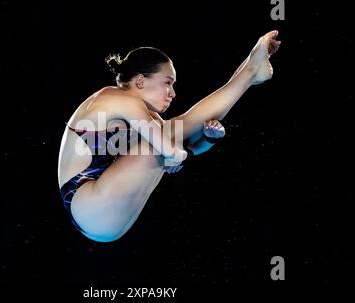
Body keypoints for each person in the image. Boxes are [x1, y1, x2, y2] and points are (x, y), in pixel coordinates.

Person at [57, 30, 281, 242]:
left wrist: (209, 137)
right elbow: (175, 150)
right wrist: (175, 154)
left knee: (175, 131)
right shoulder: (116, 98)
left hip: (103, 219)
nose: (172, 93)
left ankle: (251, 72)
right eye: (167, 83)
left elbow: (187, 150)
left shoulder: (150, 119)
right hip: (87, 203)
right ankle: (251, 71)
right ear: (141, 81)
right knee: (174, 130)